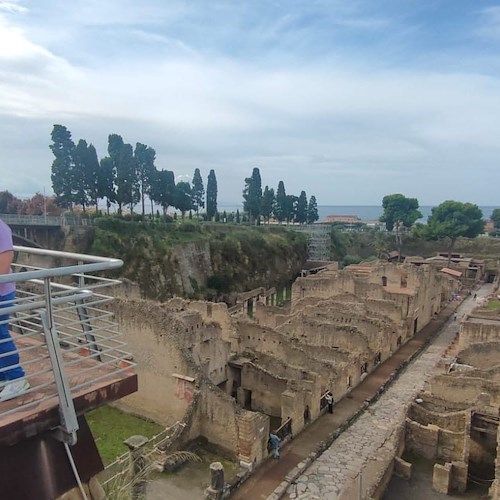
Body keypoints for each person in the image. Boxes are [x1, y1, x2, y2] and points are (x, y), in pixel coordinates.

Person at [0, 219, 29, 401]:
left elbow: (3, 265)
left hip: (2, 293)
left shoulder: (1, 229)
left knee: (0, 334)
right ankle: (4, 377)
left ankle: (17, 379)